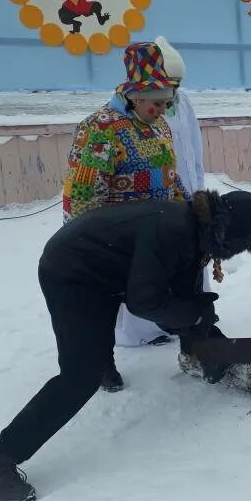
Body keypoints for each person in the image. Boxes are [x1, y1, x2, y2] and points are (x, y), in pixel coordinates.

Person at [0, 190, 251, 501]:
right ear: (227, 236)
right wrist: (194, 317)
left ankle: (101, 361)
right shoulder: (172, 231)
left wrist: (205, 342)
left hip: (102, 271)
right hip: (71, 272)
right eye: (238, 248)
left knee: (98, 352)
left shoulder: (195, 229)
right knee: (80, 377)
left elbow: (180, 295)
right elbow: (146, 301)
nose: (233, 256)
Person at [62, 40, 188, 391]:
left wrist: (187, 209)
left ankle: (193, 339)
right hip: (112, 236)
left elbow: (169, 174)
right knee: (102, 304)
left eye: (167, 103)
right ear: (134, 96)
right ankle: (102, 363)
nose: (163, 110)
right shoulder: (100, 129)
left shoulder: (158, 126)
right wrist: (90, 244)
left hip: (155, 234)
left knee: (163, 288)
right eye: (157, 104)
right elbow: (83, 193)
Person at [114, 36, 208, 352]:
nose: (174, 93)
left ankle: (181, 318)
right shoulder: (126, 116)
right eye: (171, 83)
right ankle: (139, 331)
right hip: (142, 206)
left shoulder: (181, 104)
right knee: (146, 268)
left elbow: (193, 150)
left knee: (182, 262)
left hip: (179, 196)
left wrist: (195, 191)